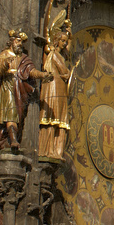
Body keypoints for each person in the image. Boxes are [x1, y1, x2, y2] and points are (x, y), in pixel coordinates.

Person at [0, 29, 49, 150]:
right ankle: (13, 140)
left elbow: (31, 72)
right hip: (8, 87)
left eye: (21, 42)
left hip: (20, 90)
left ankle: (12, 138)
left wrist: (43, 75)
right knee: (11, 115)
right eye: (18, 41)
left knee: (19, 116)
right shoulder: (4, 55)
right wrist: (4, 65)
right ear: (11, 41)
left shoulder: (24, 58)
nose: (20, 44)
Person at [38, 17, 72, 162]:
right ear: (56, 40)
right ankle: (48, 149)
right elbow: (64, 71)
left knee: (59, 119)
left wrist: (70, 35)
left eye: (65, 42)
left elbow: (67, 54)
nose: (64, 44)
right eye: (62, 41)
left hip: (60, 88)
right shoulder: (54, 55)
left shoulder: (60, 55)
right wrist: (68, 73)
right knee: (53, 118)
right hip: (53, 88)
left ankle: (56, 150)